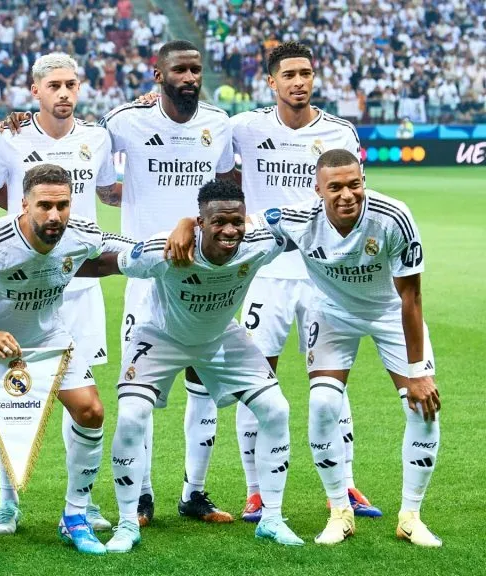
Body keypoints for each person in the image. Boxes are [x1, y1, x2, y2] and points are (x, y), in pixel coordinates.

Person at [171, 150, 441, 546]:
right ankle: (339, 511)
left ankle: (411, 515)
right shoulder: (297, 219)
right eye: (335, 187)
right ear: (318, 190)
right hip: (331, 313)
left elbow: (411, 298)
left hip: (388, 313)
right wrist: (184, 224)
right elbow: (233, 226)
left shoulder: (393, 217)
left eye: (354, 184)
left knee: (423, 405)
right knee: (324, 404)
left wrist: (419, 373)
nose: (347, 194)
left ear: (363, 180)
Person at [0, 164, 134, 560]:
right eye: (44, 205)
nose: (55, 215)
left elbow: (122, 244)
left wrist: (170, 241)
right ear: (24, 204)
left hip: (48, 339)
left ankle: (74, 516)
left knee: (91, 411)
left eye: (62, 205)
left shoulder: (80, 234)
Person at [95, 178, 304, 550]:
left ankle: (271, 518)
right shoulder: (167, 249)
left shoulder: (261, 242)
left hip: (220, 336)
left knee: (276, 409)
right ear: (201, 223)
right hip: (160, 336)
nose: (230, 230)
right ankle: (127, 524)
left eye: (236, 221)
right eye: (219, 221)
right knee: (130, 415)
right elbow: (109, 262)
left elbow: (306, 223)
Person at [0, 52, 118, 533]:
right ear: (36, 90)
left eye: (72, 84)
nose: (64, 93)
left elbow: (110, 194)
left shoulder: (98, 137)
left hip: (79, 282)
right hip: (19, 286)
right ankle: (8, 499)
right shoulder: (9, 138)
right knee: (12, 399)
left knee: (83, 401)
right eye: (54, 86)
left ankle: (82, 504)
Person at [226, 41, 375, 521]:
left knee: (331, 382)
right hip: (263, 275)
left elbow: (354, 199)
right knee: (256, 381)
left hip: (323, 277)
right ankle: (254, 490)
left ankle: (347, 484)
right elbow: (197, 130)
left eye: (305, 73)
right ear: (271, 82)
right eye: (288, 74)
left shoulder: (339, 131)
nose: (299, 81)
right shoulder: (244, 128)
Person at [103, 40, 237, 526]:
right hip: (149, 278)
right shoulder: (125, 122)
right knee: (139, 390)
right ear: (157, 75)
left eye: (195, 69)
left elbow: (226, 190)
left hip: (207, 276)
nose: (190, 77)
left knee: (203, 385)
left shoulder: (219, 124)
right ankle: (140, 497)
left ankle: (194, 494)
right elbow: (98, 181)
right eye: (179, 69)